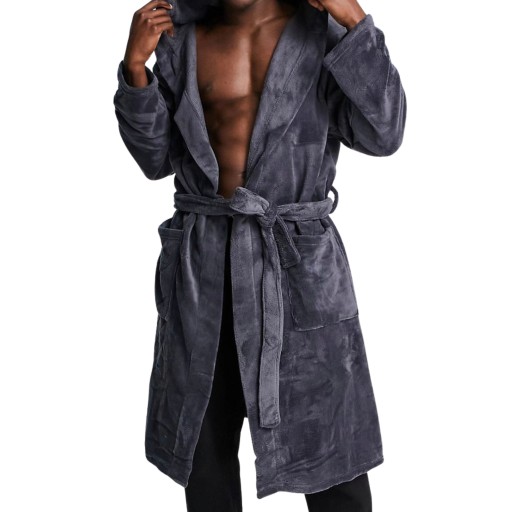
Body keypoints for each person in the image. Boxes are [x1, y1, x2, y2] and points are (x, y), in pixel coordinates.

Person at [113, 0, 406, 509]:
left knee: (331, 453)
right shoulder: (180, 37)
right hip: (204, 271)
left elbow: (384, 133)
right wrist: (136, 70)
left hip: (297, 272)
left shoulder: (321, 33)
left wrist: (356, 23)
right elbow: (156, 158)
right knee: (204, 452)